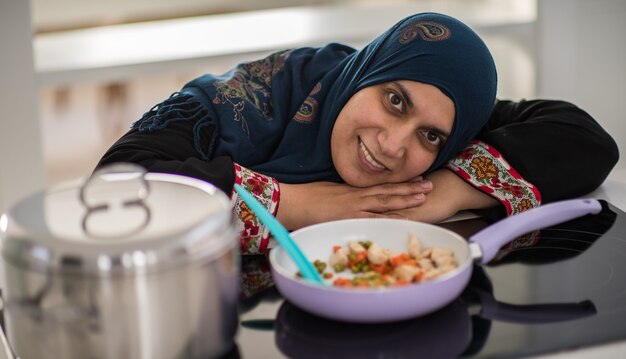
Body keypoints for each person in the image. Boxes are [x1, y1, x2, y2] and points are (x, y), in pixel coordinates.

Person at [95, 12, 619, 255]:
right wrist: (299, 205)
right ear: (367, 73)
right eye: (394, 101)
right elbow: (115, 188)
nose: (394, 146)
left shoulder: (450, 108)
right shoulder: (245, 102)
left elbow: (586, 140)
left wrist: (443, 193)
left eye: (431, 138)